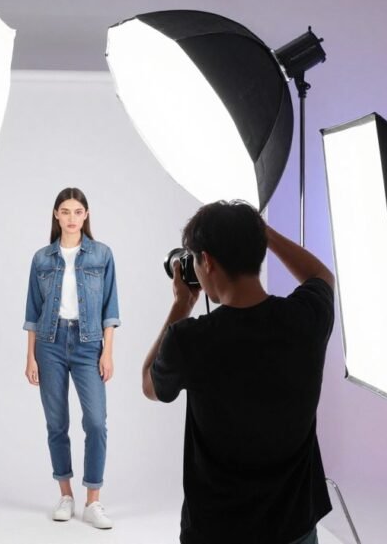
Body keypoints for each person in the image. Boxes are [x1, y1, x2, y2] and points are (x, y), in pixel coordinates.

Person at [141, 200, 335, 544]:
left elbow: (149, 384)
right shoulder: (305, 318)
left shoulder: (188, 339)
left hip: (217, 530)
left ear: (207, 262)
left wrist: (180, 306)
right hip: (293, 524)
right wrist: (264, 232)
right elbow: (322, 277)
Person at [24, 187, 120, 529]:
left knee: (95, 422)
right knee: (56, 423)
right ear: (56, 215)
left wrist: (107, 351)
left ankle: (93, 500)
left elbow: (111, 309)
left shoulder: (102, 255)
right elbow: (32, 313)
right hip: (48, 344)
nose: (71, 218)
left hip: (88, 342)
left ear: (86, 215)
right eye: (65, 211)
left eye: (77, 211)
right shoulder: (41, 259)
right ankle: (65, 494)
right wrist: (30, 357)